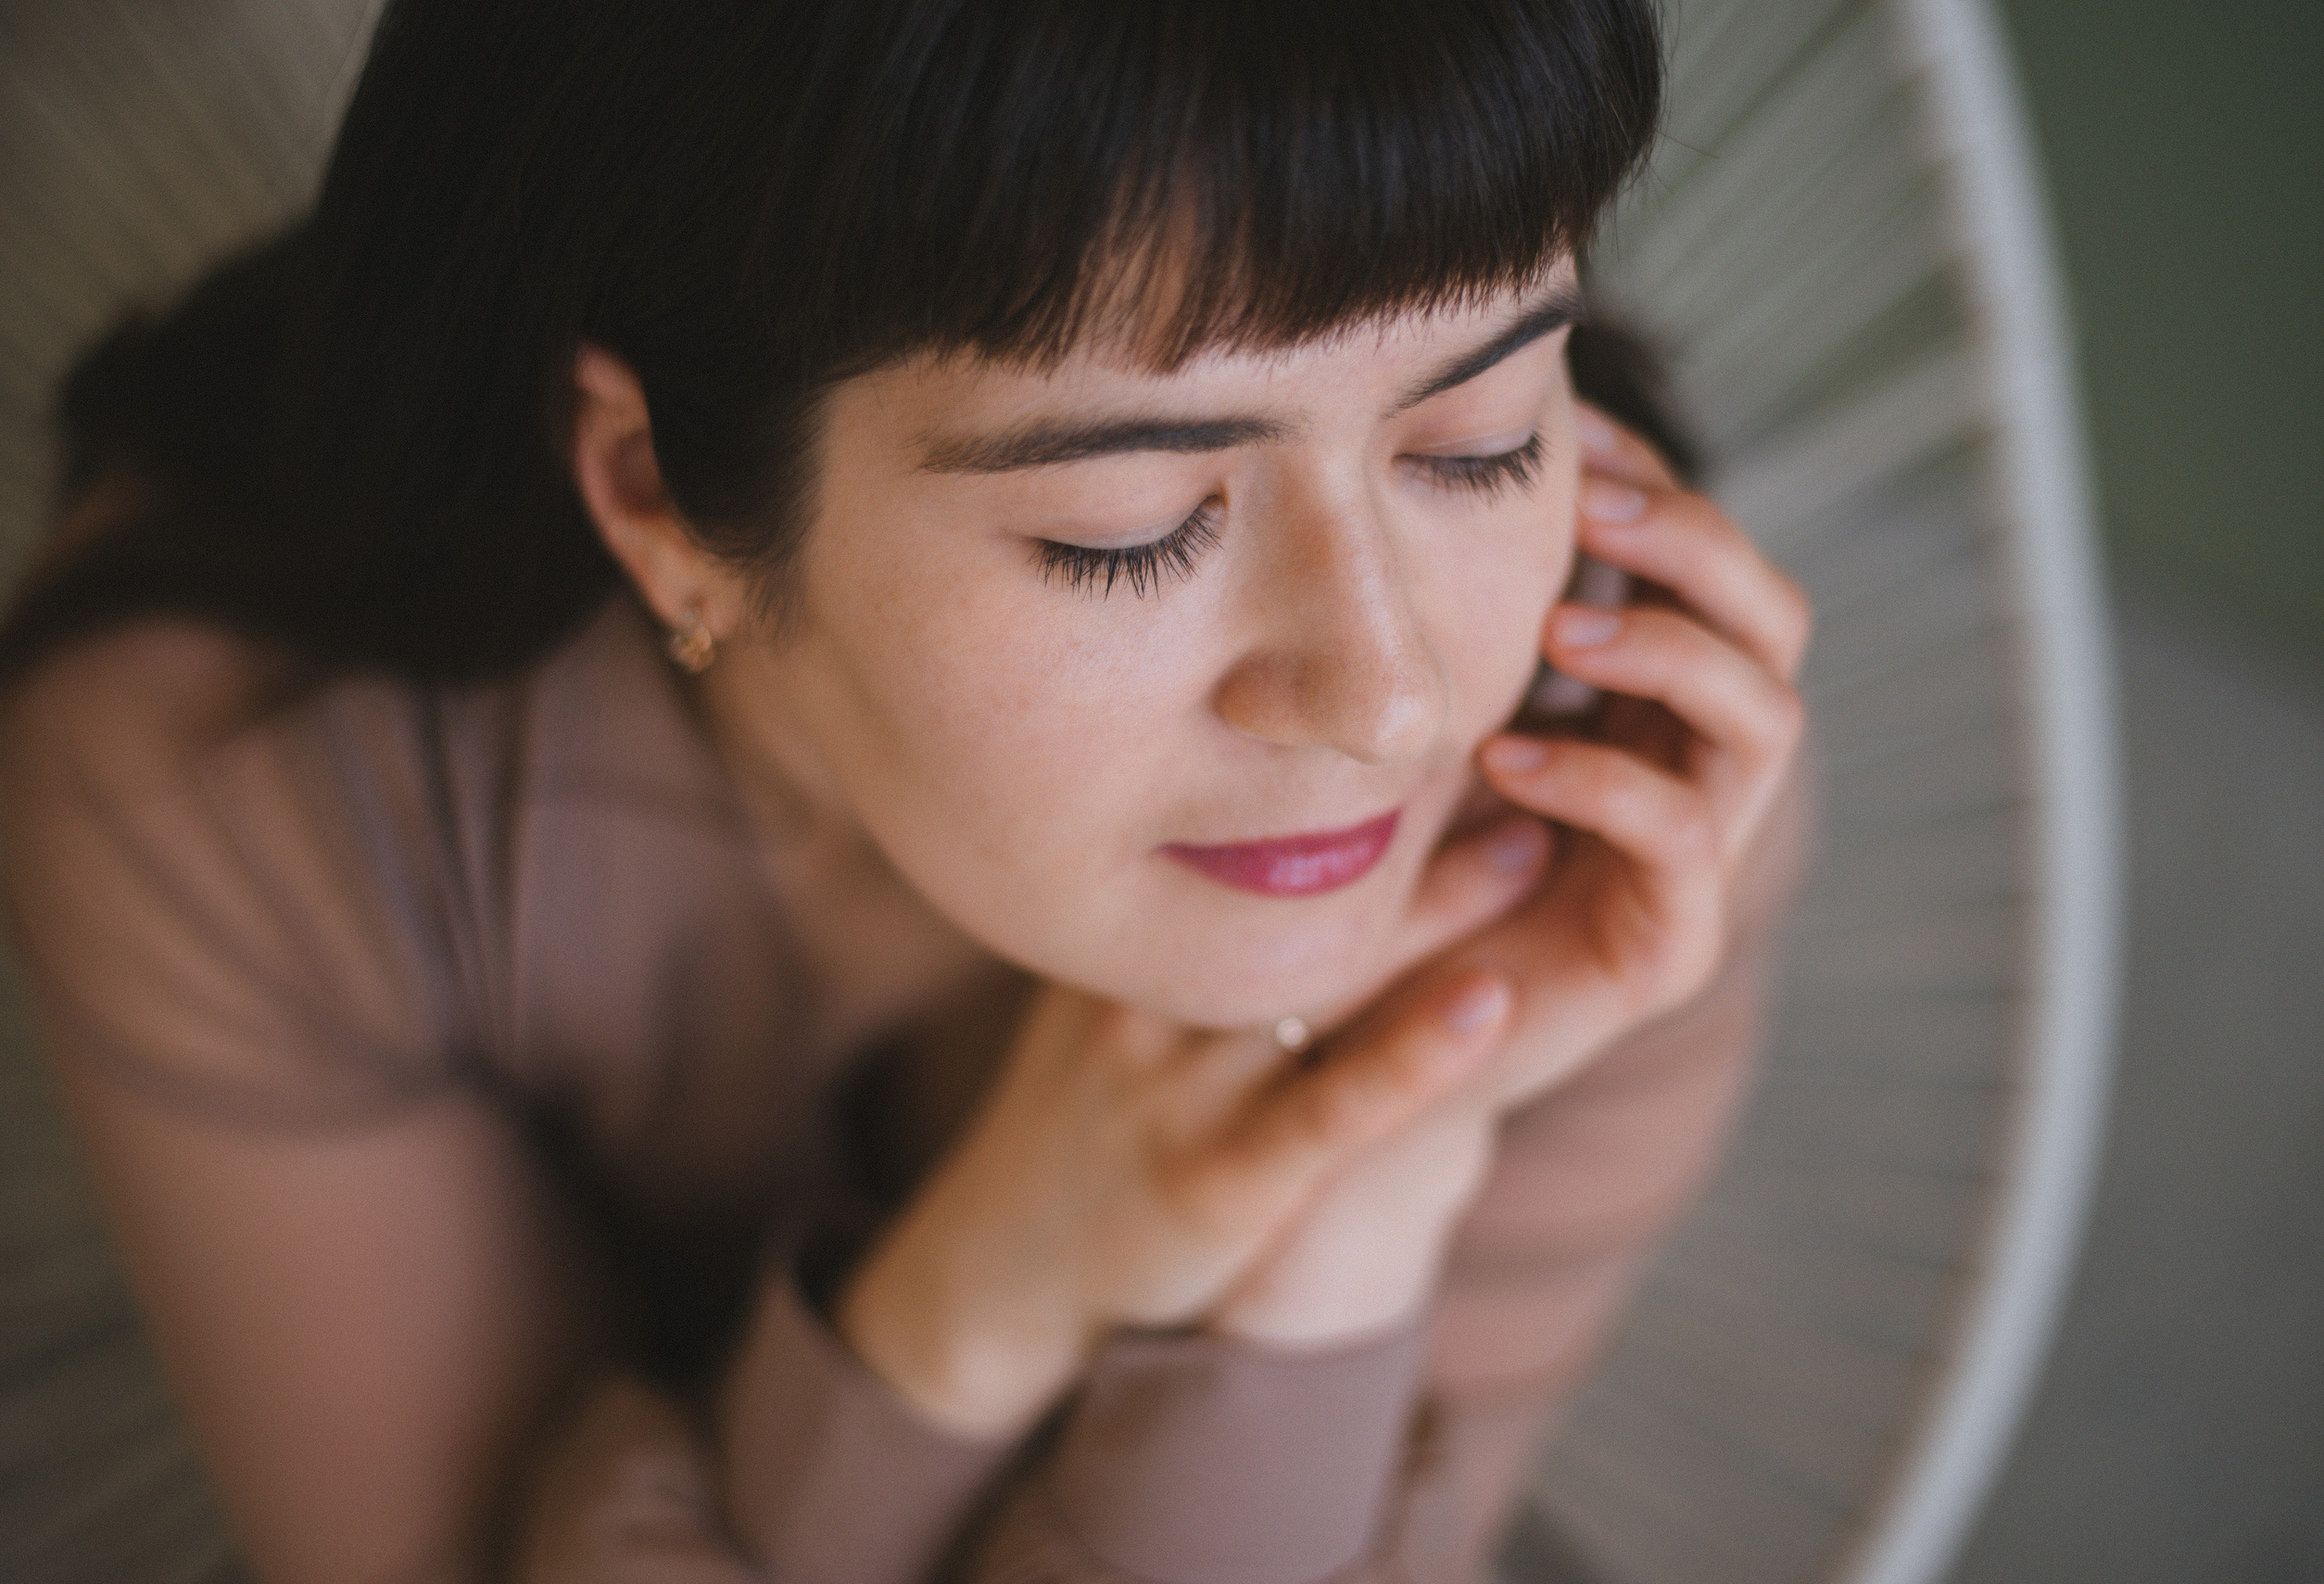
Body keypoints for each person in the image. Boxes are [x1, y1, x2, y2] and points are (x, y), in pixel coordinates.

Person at [0, 1, 1809, 1580]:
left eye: (1483, 439)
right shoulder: (227, 782)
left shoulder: (1598, 803)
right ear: (652, 492)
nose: (1390, 697)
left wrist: (1358, 1202)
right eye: (1124, 532)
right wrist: (968, 1307)